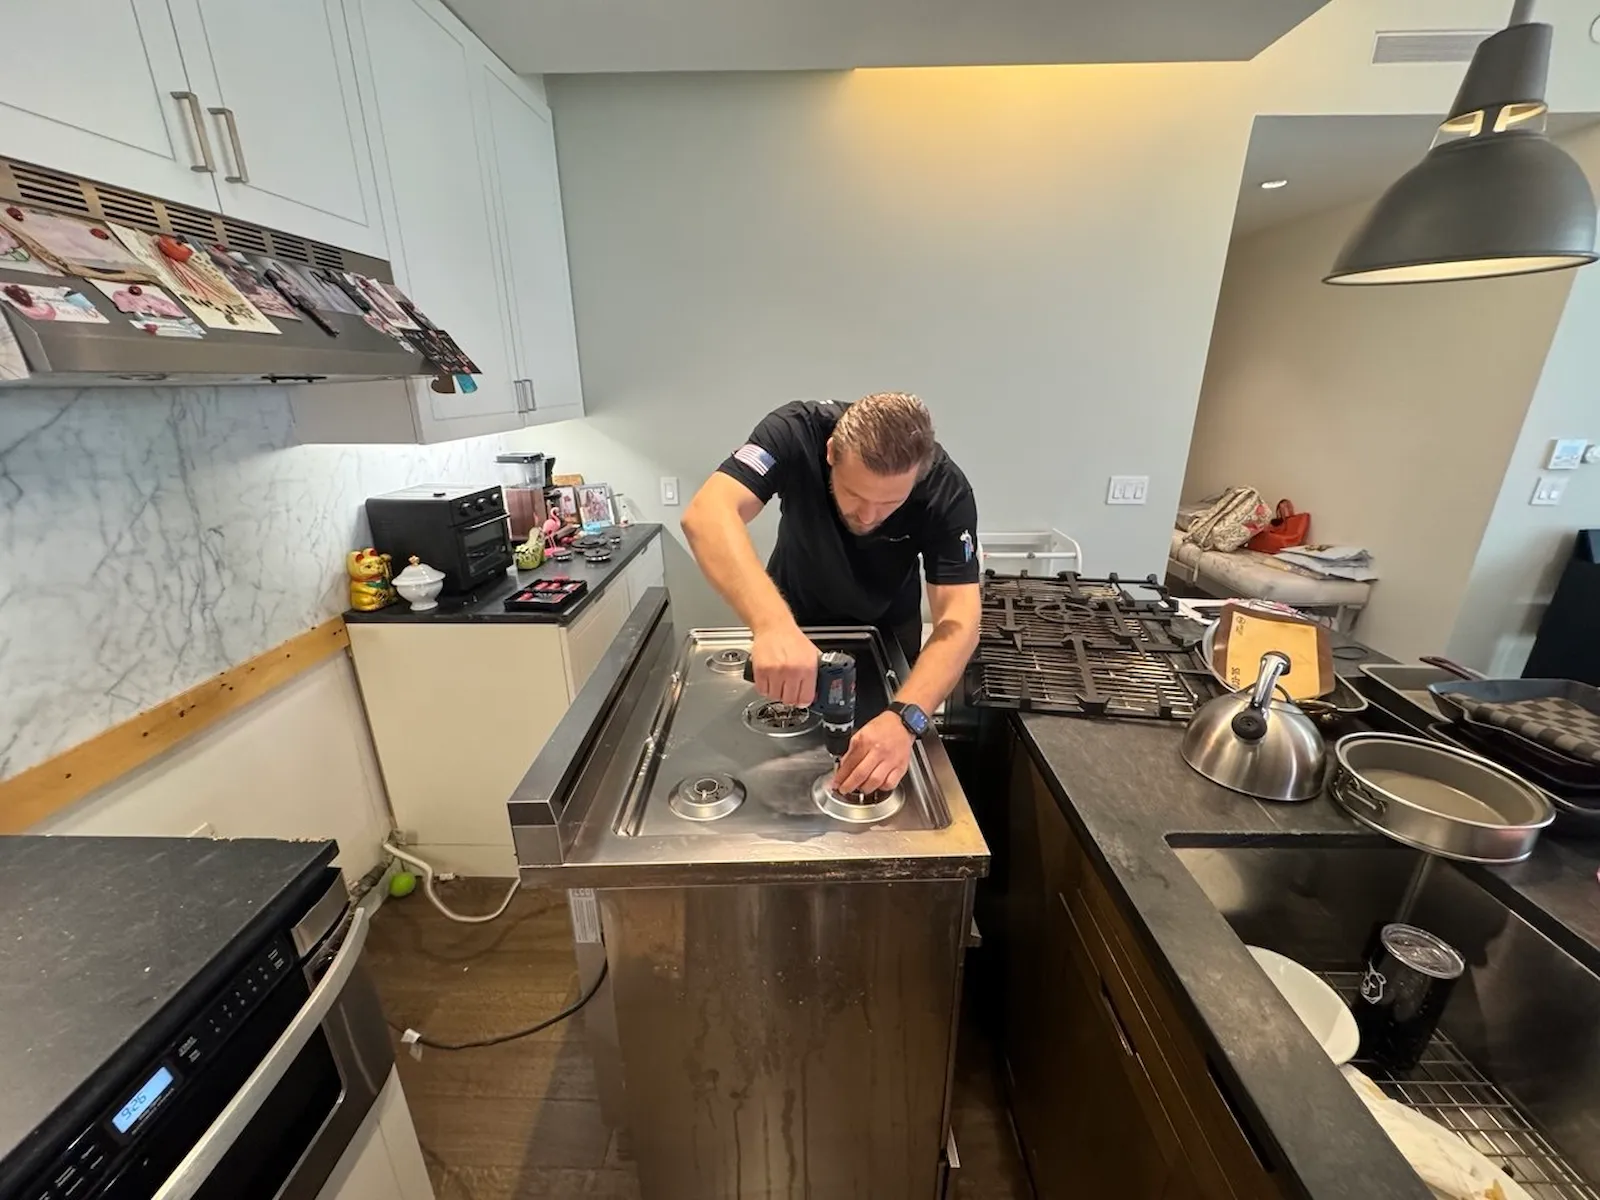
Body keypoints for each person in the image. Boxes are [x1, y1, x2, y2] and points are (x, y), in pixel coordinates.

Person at [681, 392, 981, 796]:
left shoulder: (948, 490)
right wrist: (773, 627)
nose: (869, 516)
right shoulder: (793, 432)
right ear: (831, 454)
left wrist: (906, 718)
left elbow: (959, 622)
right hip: (792, 625)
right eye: (855, 494)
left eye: (890, 502)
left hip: (887, 637)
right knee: (776, 766)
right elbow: (707, 514)